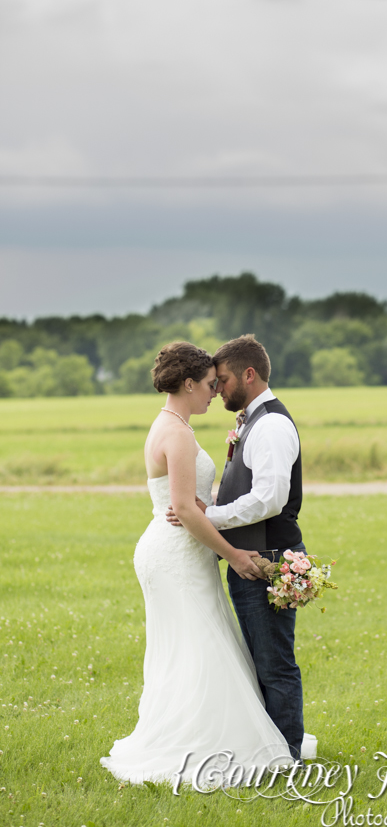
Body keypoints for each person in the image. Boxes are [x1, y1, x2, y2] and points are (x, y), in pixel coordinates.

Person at [100, 342, 291, 785]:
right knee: (196, 646)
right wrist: (235, 555)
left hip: (173, 551)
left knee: (191, 645)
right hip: (176, 556)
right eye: (209, 385)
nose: (214, 393)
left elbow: (192, 502)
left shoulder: (171, 425)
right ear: (188, 384)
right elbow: (185, 511)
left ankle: (203, 735)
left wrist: (214, 505)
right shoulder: (178, 433)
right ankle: (197, 745)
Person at [165, 334, 316, 761]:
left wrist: (209, 516)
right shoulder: (253, 421)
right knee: (259, 661)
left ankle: (286, 756)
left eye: (224, 380)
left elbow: (269, 498)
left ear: (249, 375)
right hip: (253, 557)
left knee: (274, 664)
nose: (218, 389)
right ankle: (271, 749)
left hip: (265, 560)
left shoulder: (270, 425)